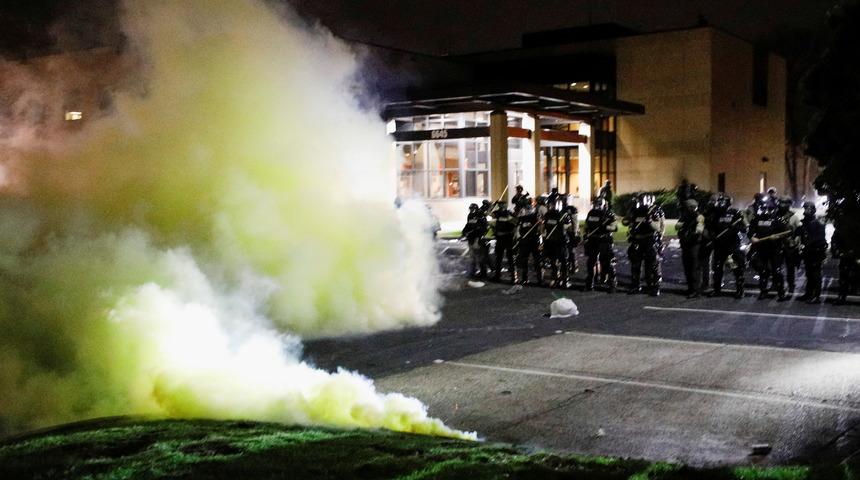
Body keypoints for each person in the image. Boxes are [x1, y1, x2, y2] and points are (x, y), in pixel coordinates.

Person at [707, 195, 747, 299]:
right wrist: (713, 236)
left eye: (722, 201)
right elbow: (710, 227)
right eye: (719, 202)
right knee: (717, 267)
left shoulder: (735, 213)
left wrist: (734, 227)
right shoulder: (715, 213)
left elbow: (744, 228)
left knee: (736, 267)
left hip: (732, 245)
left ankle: (740, 290)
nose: (720, 204)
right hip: (719, 245)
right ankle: (717, 289)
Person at [748, 200, 790, 300]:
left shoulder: (778, 220)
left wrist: (777, 237)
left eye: (769, 209)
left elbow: (787, 232)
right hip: (761, 249)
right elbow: (750, 231)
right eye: (764, 208)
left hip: (775, 249)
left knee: (777, 271)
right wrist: (752, 237)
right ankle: (763, 291)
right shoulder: (756, 219)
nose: (766, 211)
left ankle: (781, 292)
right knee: (762, 271)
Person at [624, 194, 664, 296]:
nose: (641, 203)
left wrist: (649, 220)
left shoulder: (654, 211)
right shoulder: (636, 210)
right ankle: (636, 285)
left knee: (652, 264)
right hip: (637, 240)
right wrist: (629, 213)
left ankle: (654, 286)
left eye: (643, 200)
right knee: (635, 264)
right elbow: (625, 221)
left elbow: (658, 227)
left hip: (650, 239)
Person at [582, 197, 618, 292]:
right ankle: (590, 283)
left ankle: (612, 283)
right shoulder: (591, 213)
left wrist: (605, 226)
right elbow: (587, 225)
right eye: (596, 203)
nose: (597, 205)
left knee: (608, 262)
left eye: (599, 203)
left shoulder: (609, 214)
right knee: (591, 262)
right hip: (593, 239)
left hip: (604, 240)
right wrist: (586, 233)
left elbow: (615, 227)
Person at [797, 202, 827, 304]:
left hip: (816, 252)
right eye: (805, 209)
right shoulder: (804, 223)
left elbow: (820, 238)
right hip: (808, 253)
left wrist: (809, 243)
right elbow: (798, 233)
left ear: (813, 210)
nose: (806, 211)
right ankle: (808, 293)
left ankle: (816, 296)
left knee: (816, 274)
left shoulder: (818, 223)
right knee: (809, 274)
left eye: (809, 209)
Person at [675, 198, 705, 298]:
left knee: (694, 268)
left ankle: (696, 290)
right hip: (686, 244)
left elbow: (699, 230)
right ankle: (690, 288)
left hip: (694, 245)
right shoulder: (685, 216)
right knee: (687, 267)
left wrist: (689, 236)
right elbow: (677, 226)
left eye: (687, 207)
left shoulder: (699, 216)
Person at [776, 197, 802, 295]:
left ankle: (791, 285)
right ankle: (777, 285)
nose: (782, 205)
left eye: (784, 203)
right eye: (781, 203)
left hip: (789, 245)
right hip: (777, 245)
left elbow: (799, 229)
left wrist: (797, 239)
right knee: (776, 267)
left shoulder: (793, 217)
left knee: (790, 268)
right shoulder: (775, 216)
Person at [515, 199, 543, 285]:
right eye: (527, 204)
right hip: (525, 240)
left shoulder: (536, 215)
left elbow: (541, 227)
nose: (529, 206)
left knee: (537, 260)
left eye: (530, 204)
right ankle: (524, 278)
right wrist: (519, 237)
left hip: (534, 240)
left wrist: (540, 239)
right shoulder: (522, 216)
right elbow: (518, 227)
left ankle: (539, 279)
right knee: (524, 260)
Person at [831, 217, 858, 305]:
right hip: (847, 255)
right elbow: (834, 241)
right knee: (843, 277)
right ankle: (842, 296)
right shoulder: (841, 229)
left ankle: (842, 296)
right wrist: (837, 251)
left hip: (853, 254)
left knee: (846, 276)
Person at [541, 202, 569, 287]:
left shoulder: (558, 215)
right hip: (557, 242)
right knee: (560, 261)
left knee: (556, 261)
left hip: (554, 241)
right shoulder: (552, 215)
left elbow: (543, 228)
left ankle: (560, 279)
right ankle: (562, 280)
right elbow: (567, 226)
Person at [461, 203, 490, 278]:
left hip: (478, 239)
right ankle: (473, 272)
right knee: (472, 257)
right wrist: (464, 232)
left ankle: (483, 274)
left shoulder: (481, 216)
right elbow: (467, 225)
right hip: (471, 239)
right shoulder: (470, 216)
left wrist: (478, 239)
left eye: (472, 209)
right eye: (470, 209)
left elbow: (484, 228)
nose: (471, 210)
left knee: (480, 257)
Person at [490, 205, 518, 283]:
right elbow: (490, 213)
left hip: (507, 238)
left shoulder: (508, 215)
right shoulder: (500, 214)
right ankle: (498, 276)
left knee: (509, 258)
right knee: (499, 258)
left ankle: (513, 277)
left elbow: (515, 223)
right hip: (502, 239)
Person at [563, 204, 580, 278]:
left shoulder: (573, 217)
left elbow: (574, 227)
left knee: (571, 251)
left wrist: (575, 234)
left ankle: (573, 266)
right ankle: (572, 265)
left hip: (572, 235)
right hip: (571, 234)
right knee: (570, 251)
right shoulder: (574, 217)